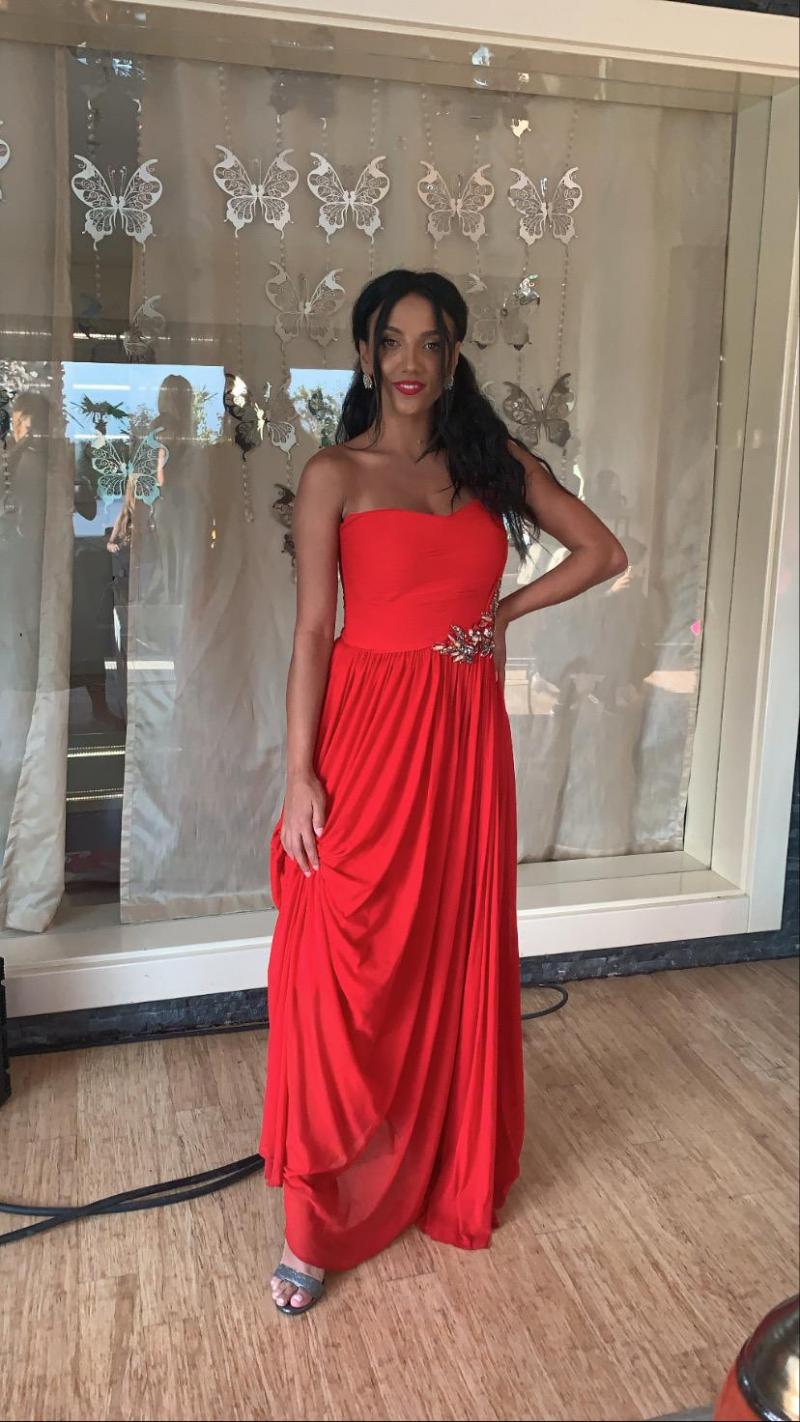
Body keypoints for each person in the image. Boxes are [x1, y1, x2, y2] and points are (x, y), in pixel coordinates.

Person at [262, 268, 628, 1315]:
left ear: (456, 353)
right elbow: (312, 632)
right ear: (364, 353)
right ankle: (315, 1221)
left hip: (462, 737)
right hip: (365, 734)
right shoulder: (335, 471)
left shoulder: (489, 464)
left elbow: (601, 551)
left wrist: (502, 614)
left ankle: (429, 1168)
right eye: (392, 340)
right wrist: (298, 775)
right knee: (335, 968)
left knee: (441, 954)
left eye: (432, 342)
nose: (411, 362)